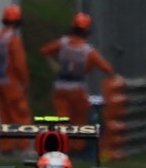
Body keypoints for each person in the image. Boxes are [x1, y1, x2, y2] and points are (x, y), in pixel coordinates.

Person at [40, 13, 115, 150]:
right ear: (87, 31)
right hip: (77, 88)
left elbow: (44, 51)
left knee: (62, 119)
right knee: (78, 120)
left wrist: (53, 64)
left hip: (60, 86)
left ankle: (61, 147)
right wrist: (112, 75)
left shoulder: (62, 43)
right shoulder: (88, 50)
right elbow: (106, 68)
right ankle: (77, 147)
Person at [0, 4, 31, 150]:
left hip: (0, 81)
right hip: (13, 83)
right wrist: (25, 81)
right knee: (21, 114)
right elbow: (19, 64)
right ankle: (23, 146)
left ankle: (6, 146)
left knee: (5, 115)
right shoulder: (14, 39)